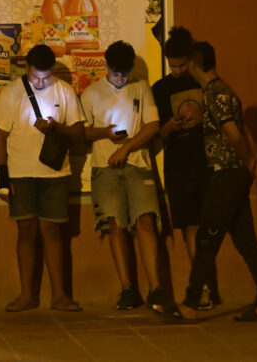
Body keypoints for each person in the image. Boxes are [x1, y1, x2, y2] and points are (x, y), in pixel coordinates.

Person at [166, 41, 257, 322]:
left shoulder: (216, 94)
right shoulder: (222, 91)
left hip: (226, 173)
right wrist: (249, 163)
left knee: (207, 238)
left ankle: (191, 303)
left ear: (194, 64)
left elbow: (233, 133)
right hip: (234, 173)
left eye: (187, 64)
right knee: (245, 240)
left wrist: (249, 162)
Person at [81, 40, 172, 311]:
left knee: (146, 221)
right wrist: (105, 133)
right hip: (104, 167)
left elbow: (152, 125)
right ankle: (128, 288)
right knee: (116, 225)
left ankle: (156, 288)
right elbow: (82, 131)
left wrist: (126, 148)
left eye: (125, 73)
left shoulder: (141, 87)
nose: (120, 78)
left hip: (138, 165)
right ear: (107, 67)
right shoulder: (92, 93)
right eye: (116, 73)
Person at [0, 44, 85, 312]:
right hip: (21, 173)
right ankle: (27, 295)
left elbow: (79, 133)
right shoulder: (11, 92)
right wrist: (2, 179)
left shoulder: (64, 91)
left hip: (55, 174)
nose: (41, 82)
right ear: (27, 68)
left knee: (53, 232)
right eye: (36, 77)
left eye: (45, 77)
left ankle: (60, 296)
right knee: (26, 231)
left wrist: (57, 127)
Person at [150, 25, 216, 309]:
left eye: (181, 65)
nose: (177, 71)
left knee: (209, 226)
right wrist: (170, 126)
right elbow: (157, 133)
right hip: (178, 166)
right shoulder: (160, 88)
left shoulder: (205, 81)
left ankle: (205, 286)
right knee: (189, 226)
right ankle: (201, 288)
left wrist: (203, 118)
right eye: (172, 66)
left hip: (206, 162)